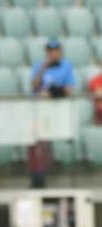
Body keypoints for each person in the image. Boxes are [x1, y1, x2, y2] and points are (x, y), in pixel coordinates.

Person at [29, 39, 76, 188]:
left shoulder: (66, 66)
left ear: (60, 51)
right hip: (40, 111)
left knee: (49, 142)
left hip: (57, 110)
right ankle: (38, 176)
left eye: (54, 50)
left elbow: (69, 89)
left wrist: (51, 92)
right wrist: (43, 68)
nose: (52, 53)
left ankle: (54, 172)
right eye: (49, 50)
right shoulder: (39, 66)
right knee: (38, 143)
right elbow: (34, 86)